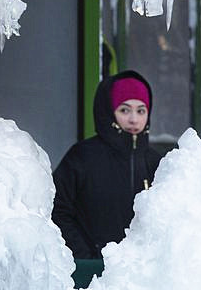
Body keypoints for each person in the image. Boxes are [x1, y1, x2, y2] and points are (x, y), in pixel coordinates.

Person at [52, 70, 161, 259]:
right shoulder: (83, 156)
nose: (134, 119)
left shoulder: (156, 163)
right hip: (91, 274)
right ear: (109, 110)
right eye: (124, 110)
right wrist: (84, 256)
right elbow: (57, 210)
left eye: (141, 110)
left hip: (142, 276)